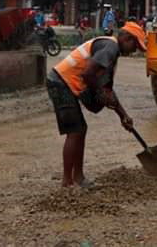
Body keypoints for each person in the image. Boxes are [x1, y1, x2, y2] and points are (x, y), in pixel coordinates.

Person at [46, 22, 147, 188]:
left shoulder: (110, 52)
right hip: (60, 82)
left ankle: (78, 177)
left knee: (80, 130)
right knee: (75, 131)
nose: (134, 50)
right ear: (126, 38)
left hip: (65, 83)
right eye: (134, 45)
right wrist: (99, 92)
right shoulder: (111, 48)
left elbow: (107, 90)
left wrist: (124, 116)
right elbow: (88, 75)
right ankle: (67, 182)